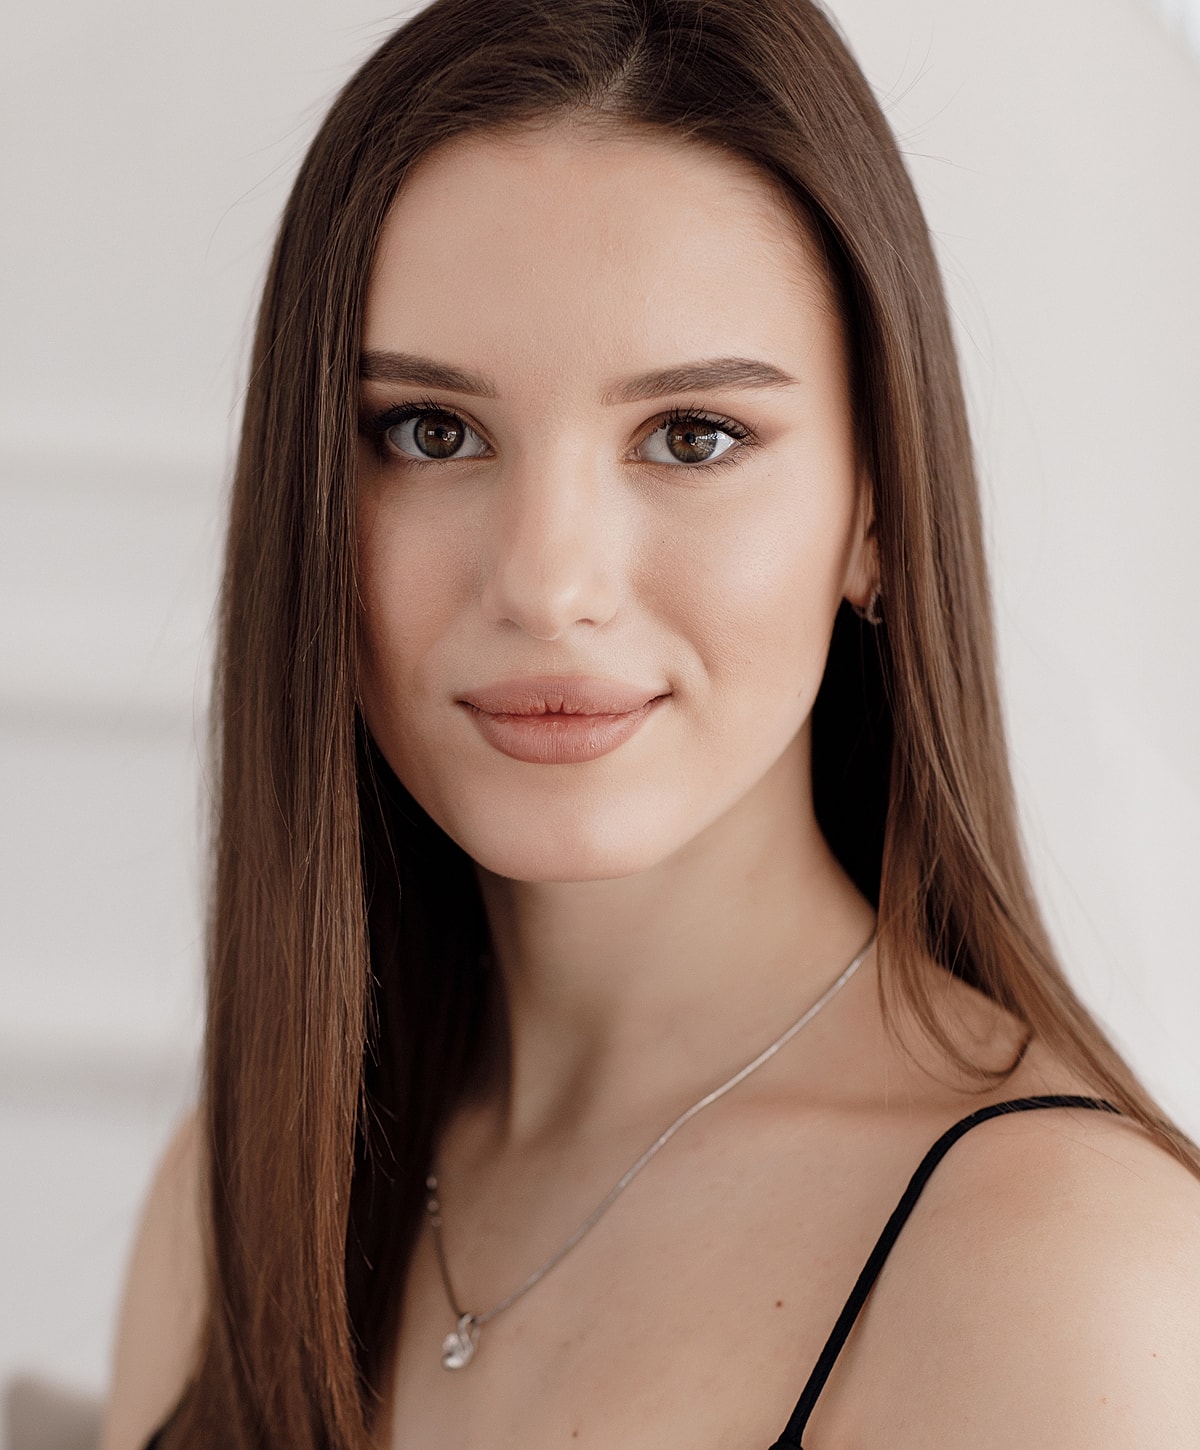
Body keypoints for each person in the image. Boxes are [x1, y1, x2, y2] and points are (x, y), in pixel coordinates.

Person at [100, 0, 1200, 1446]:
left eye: (693, 436)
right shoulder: (234, 1197)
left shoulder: (1073, 1280)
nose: (550, 584)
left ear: (877, 512)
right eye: (431, 431)